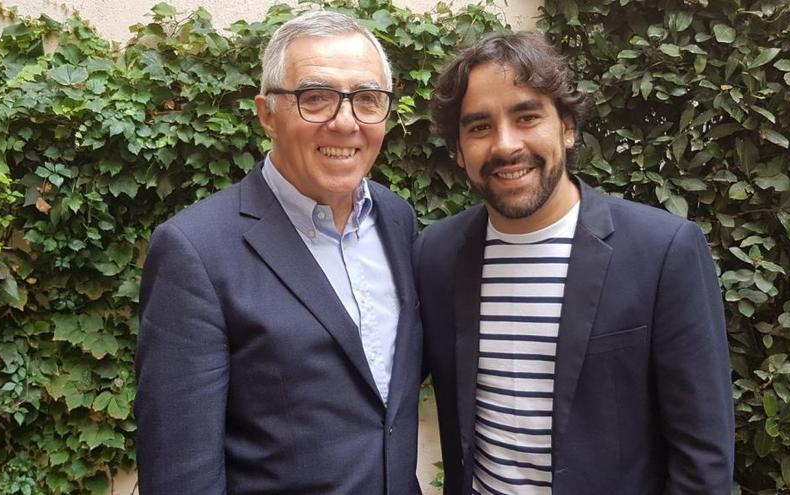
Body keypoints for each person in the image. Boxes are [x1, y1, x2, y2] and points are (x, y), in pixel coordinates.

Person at [416, 33, 734, 494]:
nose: (505, 145)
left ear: (566, 127)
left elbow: (703, 458)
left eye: (527, 117)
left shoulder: (663, 251)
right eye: (479, 127)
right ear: (460, 150)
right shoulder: (436, 253)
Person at [135, 11, 422, 494]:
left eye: (368, 100)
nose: (345, 122)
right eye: (316, 98)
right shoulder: (196, 250)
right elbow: (180, 472)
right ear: (267, 114)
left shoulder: (396, 219)